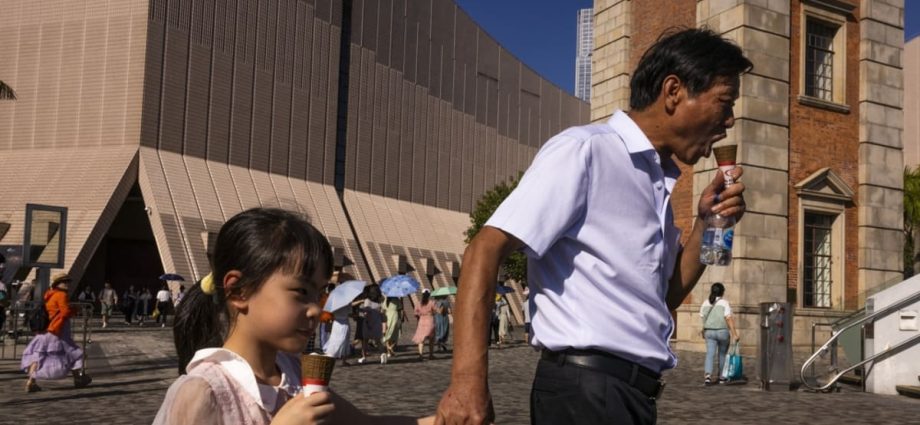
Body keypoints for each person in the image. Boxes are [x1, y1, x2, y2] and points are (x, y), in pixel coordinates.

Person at [435, 28, 751, 425]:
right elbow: (484, 248)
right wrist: (467, 383)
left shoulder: (655, 182)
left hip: (628, 396)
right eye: (723, 103)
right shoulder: (587, 150)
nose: (730, 120)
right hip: (585, 393)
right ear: (673, 91)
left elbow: (663, 296)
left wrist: (706, 224)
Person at [155, 208, 433, 424]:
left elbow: (367, 424)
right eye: (301, 291)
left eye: (320, 292)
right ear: (238, 291)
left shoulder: (294, 373)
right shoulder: (202, 392)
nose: (315, 308)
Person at [21, 273, 92, 392]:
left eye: (68, 281)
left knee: (39, 354)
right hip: (58, 330)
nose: (67, 284)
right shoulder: (61, 295)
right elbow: (65, 312)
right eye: (64, 282)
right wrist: (76, 309)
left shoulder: (50, 294)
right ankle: (79, 379)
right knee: (73, 353)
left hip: (47, 330)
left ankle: (31, 382)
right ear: (57, 283)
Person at [699, 282, 740, 385]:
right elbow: (728, 318)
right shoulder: (724, 303)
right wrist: (734, 333)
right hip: (722, 332)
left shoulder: (705, 303)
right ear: (722, 292)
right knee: (722, 355)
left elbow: (702, 317)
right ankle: (721, 377)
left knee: (710, 354)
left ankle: (708, 376)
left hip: (709, 332)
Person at [358, 284, 383, 364]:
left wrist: (360, 310)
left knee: (365, 341)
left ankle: (364, 357)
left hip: (368, 322)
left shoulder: (367, 300)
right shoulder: (380, 300)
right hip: (377, 322)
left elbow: (366, 312)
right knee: (378, 341)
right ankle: (382, 354)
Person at [412, 289, 436, 360]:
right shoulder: (432, 302)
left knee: (421, 339)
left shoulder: (418, 303)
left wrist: (419, 315)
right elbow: (435, 311)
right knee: (431, 339)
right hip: (430, 320)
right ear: (429, 295)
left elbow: (415, 313)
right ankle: (431, 355)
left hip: (421, 321)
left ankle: (420, 355)